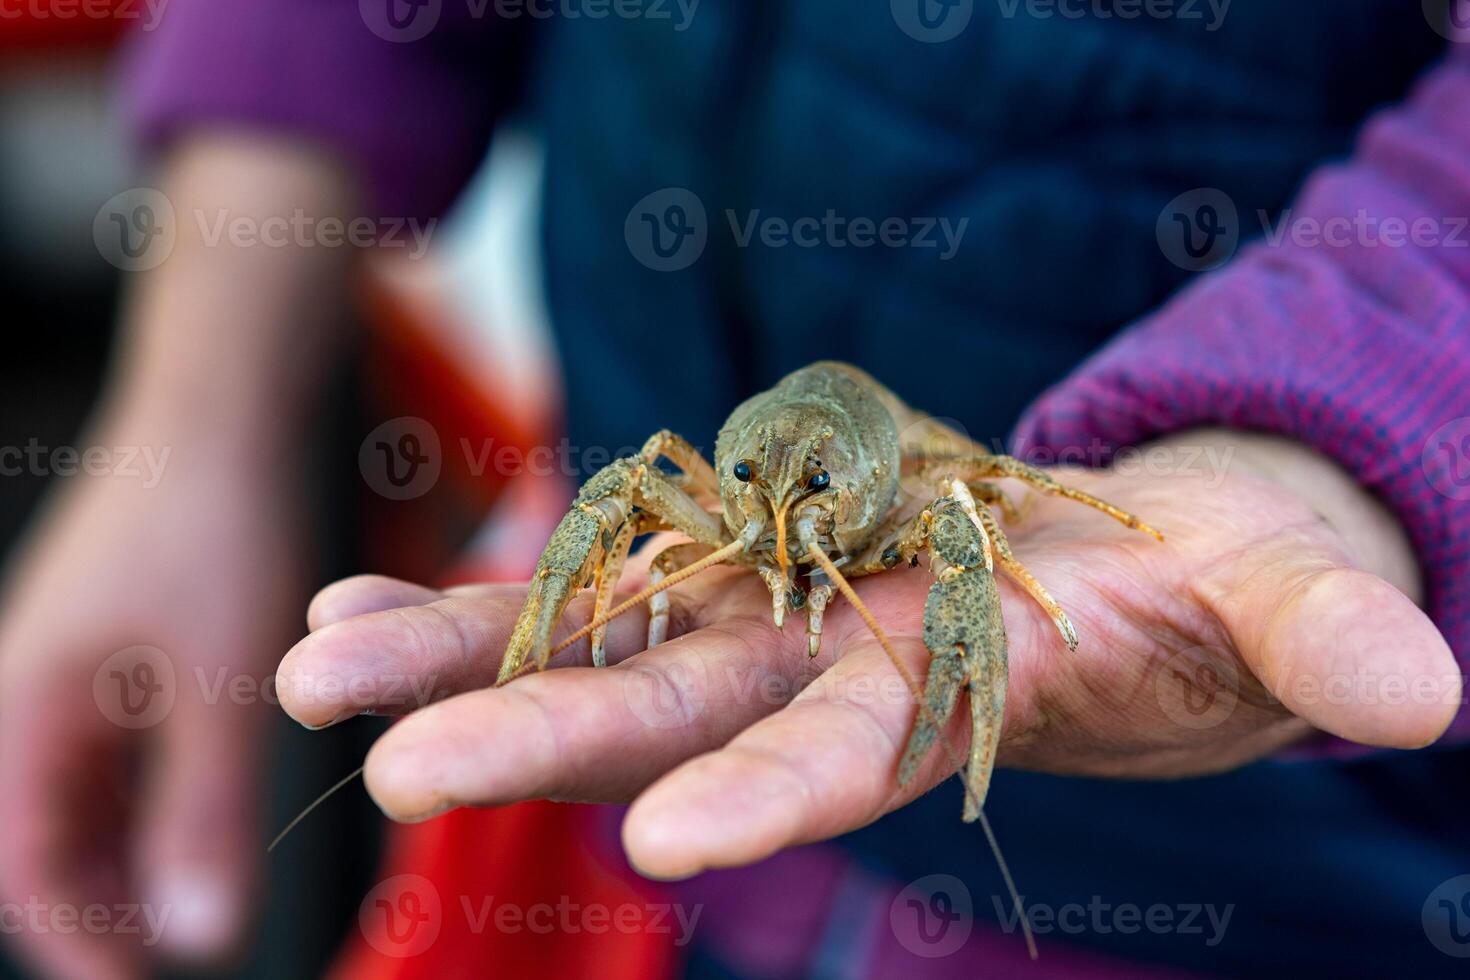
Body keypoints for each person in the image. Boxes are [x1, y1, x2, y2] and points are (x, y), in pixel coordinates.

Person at [1, 2, 1467, 977]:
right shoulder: (710, 502)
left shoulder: (913, 502)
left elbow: (976, 500)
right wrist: (194, 419)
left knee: (978, 507)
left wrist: (1317, 435)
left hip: (1267, 897)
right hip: (661, 883)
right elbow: (636, 492)